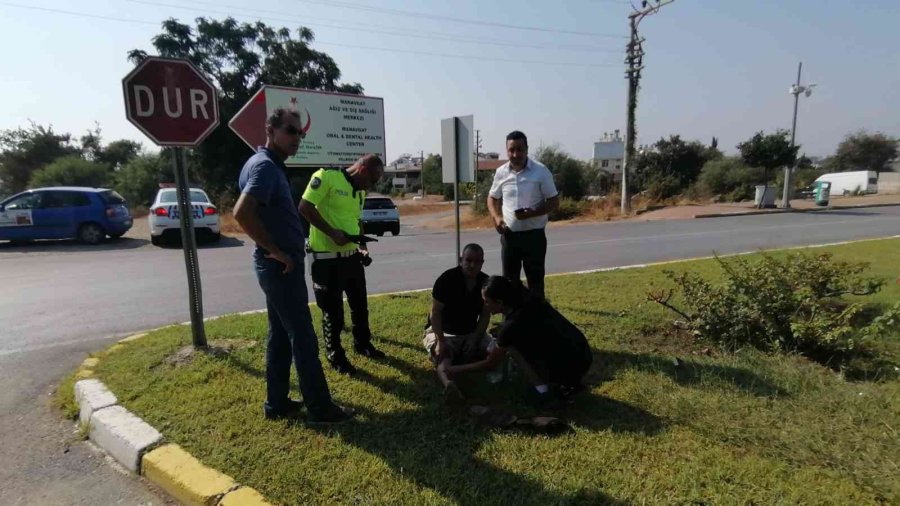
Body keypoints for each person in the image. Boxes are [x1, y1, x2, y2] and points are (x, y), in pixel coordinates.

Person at [233, 107, 353, 423]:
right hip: (280, 266)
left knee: (280, 335)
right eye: (290, 130)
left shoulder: (265, 164)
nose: (296, 138)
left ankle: (277, 403)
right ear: (270, 130)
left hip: (279, 265)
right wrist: (276, 250)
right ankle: (320, 408)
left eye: (300, 133)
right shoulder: (265, 168)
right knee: (303, 335)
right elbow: (242, 213)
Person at [443, 275, 592, 408]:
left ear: (500, 302)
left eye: (486, 301)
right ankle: (569, 382)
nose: (484, 305)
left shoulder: (510, 327)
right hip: (583, 353)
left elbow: (491, 363)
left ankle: (544, 392)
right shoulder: (527, 298)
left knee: (512, 348)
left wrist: (455, 369)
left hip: (570, 364)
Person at [299, 154, 386, 375]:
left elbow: (357, 220)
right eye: (373, 180)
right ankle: (335, 355)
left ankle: (363, 345)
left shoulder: (360, 191)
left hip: (351, 257)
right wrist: (332, 233)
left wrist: (363, 248)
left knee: (360, 306)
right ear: (363, 170)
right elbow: (305, 207)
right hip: (326, 260)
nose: (372, 186)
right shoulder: (326, 177)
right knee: (333, 312)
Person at [487, 130, 560, 300]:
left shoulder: (541, 171)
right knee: (509, 283)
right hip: (509, 237)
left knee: (535, 284)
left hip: (534, 238)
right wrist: (496, 218)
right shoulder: (501, 172)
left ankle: (537, 323)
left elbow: (554, 202)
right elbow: (491, 198)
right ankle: (511, 322)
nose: (515, 154)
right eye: (511, 150)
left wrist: (532, 213)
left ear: (527, 149)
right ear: (507, 151)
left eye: (519, 149)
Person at [423, 243, 492, 403]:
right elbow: (435, 313)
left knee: (493, 350)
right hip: (443, 331)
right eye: (468, 260)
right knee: (443, 355)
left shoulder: (486, 283)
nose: (472, 265)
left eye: (477, 261)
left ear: (482, 263)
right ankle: (449, 385)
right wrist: (440, 340)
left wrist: (475, 338)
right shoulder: (446, 279)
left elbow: (485, 315)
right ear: (461, 260)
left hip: (470, 332)